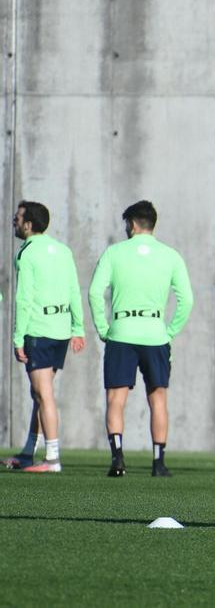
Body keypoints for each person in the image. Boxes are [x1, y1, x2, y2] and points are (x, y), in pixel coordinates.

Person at [89, 200, 193, 477]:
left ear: (132, 224)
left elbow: (94, 292)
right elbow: (187, 300)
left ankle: (117, 458)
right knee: (158, 398)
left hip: (121, 331)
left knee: (116, 397)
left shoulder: (114, 253)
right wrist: (169, 330)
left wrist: (103, 328)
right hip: (155, 332)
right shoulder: (171, 255)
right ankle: (158, 462)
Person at [3, 202, 86, 472]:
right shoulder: (62, 250)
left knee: (44, 393)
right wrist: (78, 328)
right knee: (40, 393)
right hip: (61, 330)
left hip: (39, 329)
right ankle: (29, 452)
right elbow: (74, 289)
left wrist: (17, 338)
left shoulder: (26, 254)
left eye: (17, 218)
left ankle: (52, 458)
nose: (14, 222)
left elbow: (24, 298)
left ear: (28, 225)